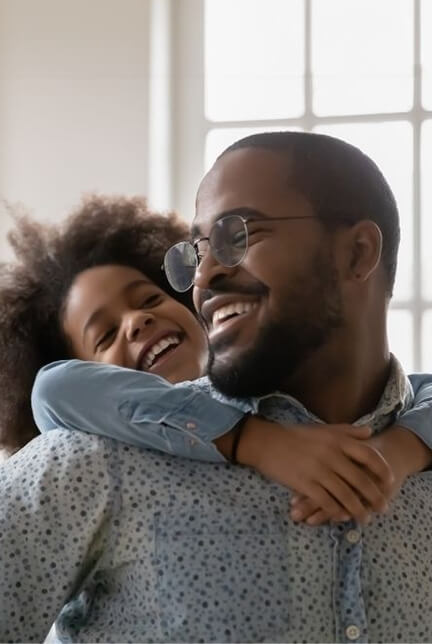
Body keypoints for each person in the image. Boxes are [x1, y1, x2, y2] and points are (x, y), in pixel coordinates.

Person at [0, 134, 430, 642]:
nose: (203, 276)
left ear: (358, 253)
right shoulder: (91, 462)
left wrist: (402, 449)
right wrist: (253, 440)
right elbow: (56, 387)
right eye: (198, 251)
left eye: (239, 234)